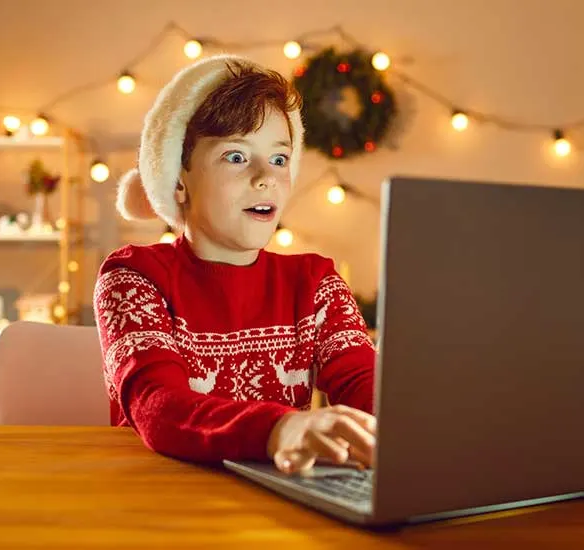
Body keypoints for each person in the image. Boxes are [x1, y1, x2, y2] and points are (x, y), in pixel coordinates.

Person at [93, 54, 376, 475]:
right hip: (160, 501)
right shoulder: (133, 278)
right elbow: (159, 407)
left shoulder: (316, 282)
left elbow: (364, 382)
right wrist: (279, 430)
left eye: (279, 159)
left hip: (281, 506)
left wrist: (410, 420)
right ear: (177, 179)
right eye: (236, 157)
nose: (266, 176)